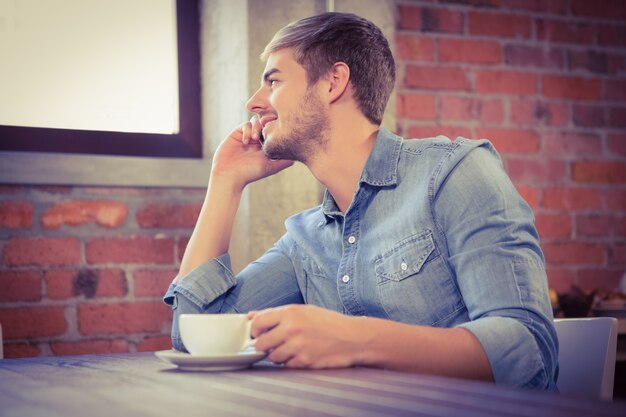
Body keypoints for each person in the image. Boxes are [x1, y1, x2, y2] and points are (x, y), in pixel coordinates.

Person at [163, 12, 558, 390]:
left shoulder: (455, 174)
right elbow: (195, 333)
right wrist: (225, 182)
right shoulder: (304, 242)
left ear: (333, 81)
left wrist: (354, 340)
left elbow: (529, 350)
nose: (254, 102)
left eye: (274, 81)